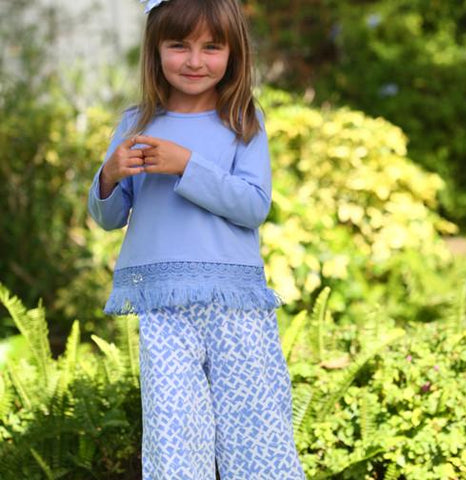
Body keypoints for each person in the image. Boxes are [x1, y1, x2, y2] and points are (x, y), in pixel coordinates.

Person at [88, 0, 306, 478]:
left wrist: (187, 165)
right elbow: (109, 217)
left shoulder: (243, 122)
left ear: (233, 52)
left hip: (234, 303)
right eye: (178, 45)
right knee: (174, 433)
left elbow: (253, 206)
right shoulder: (135, 125)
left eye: (211, 47)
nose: (194, 60)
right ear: (155, 49)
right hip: (163, 304)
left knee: (255, 427)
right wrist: (108, 176)